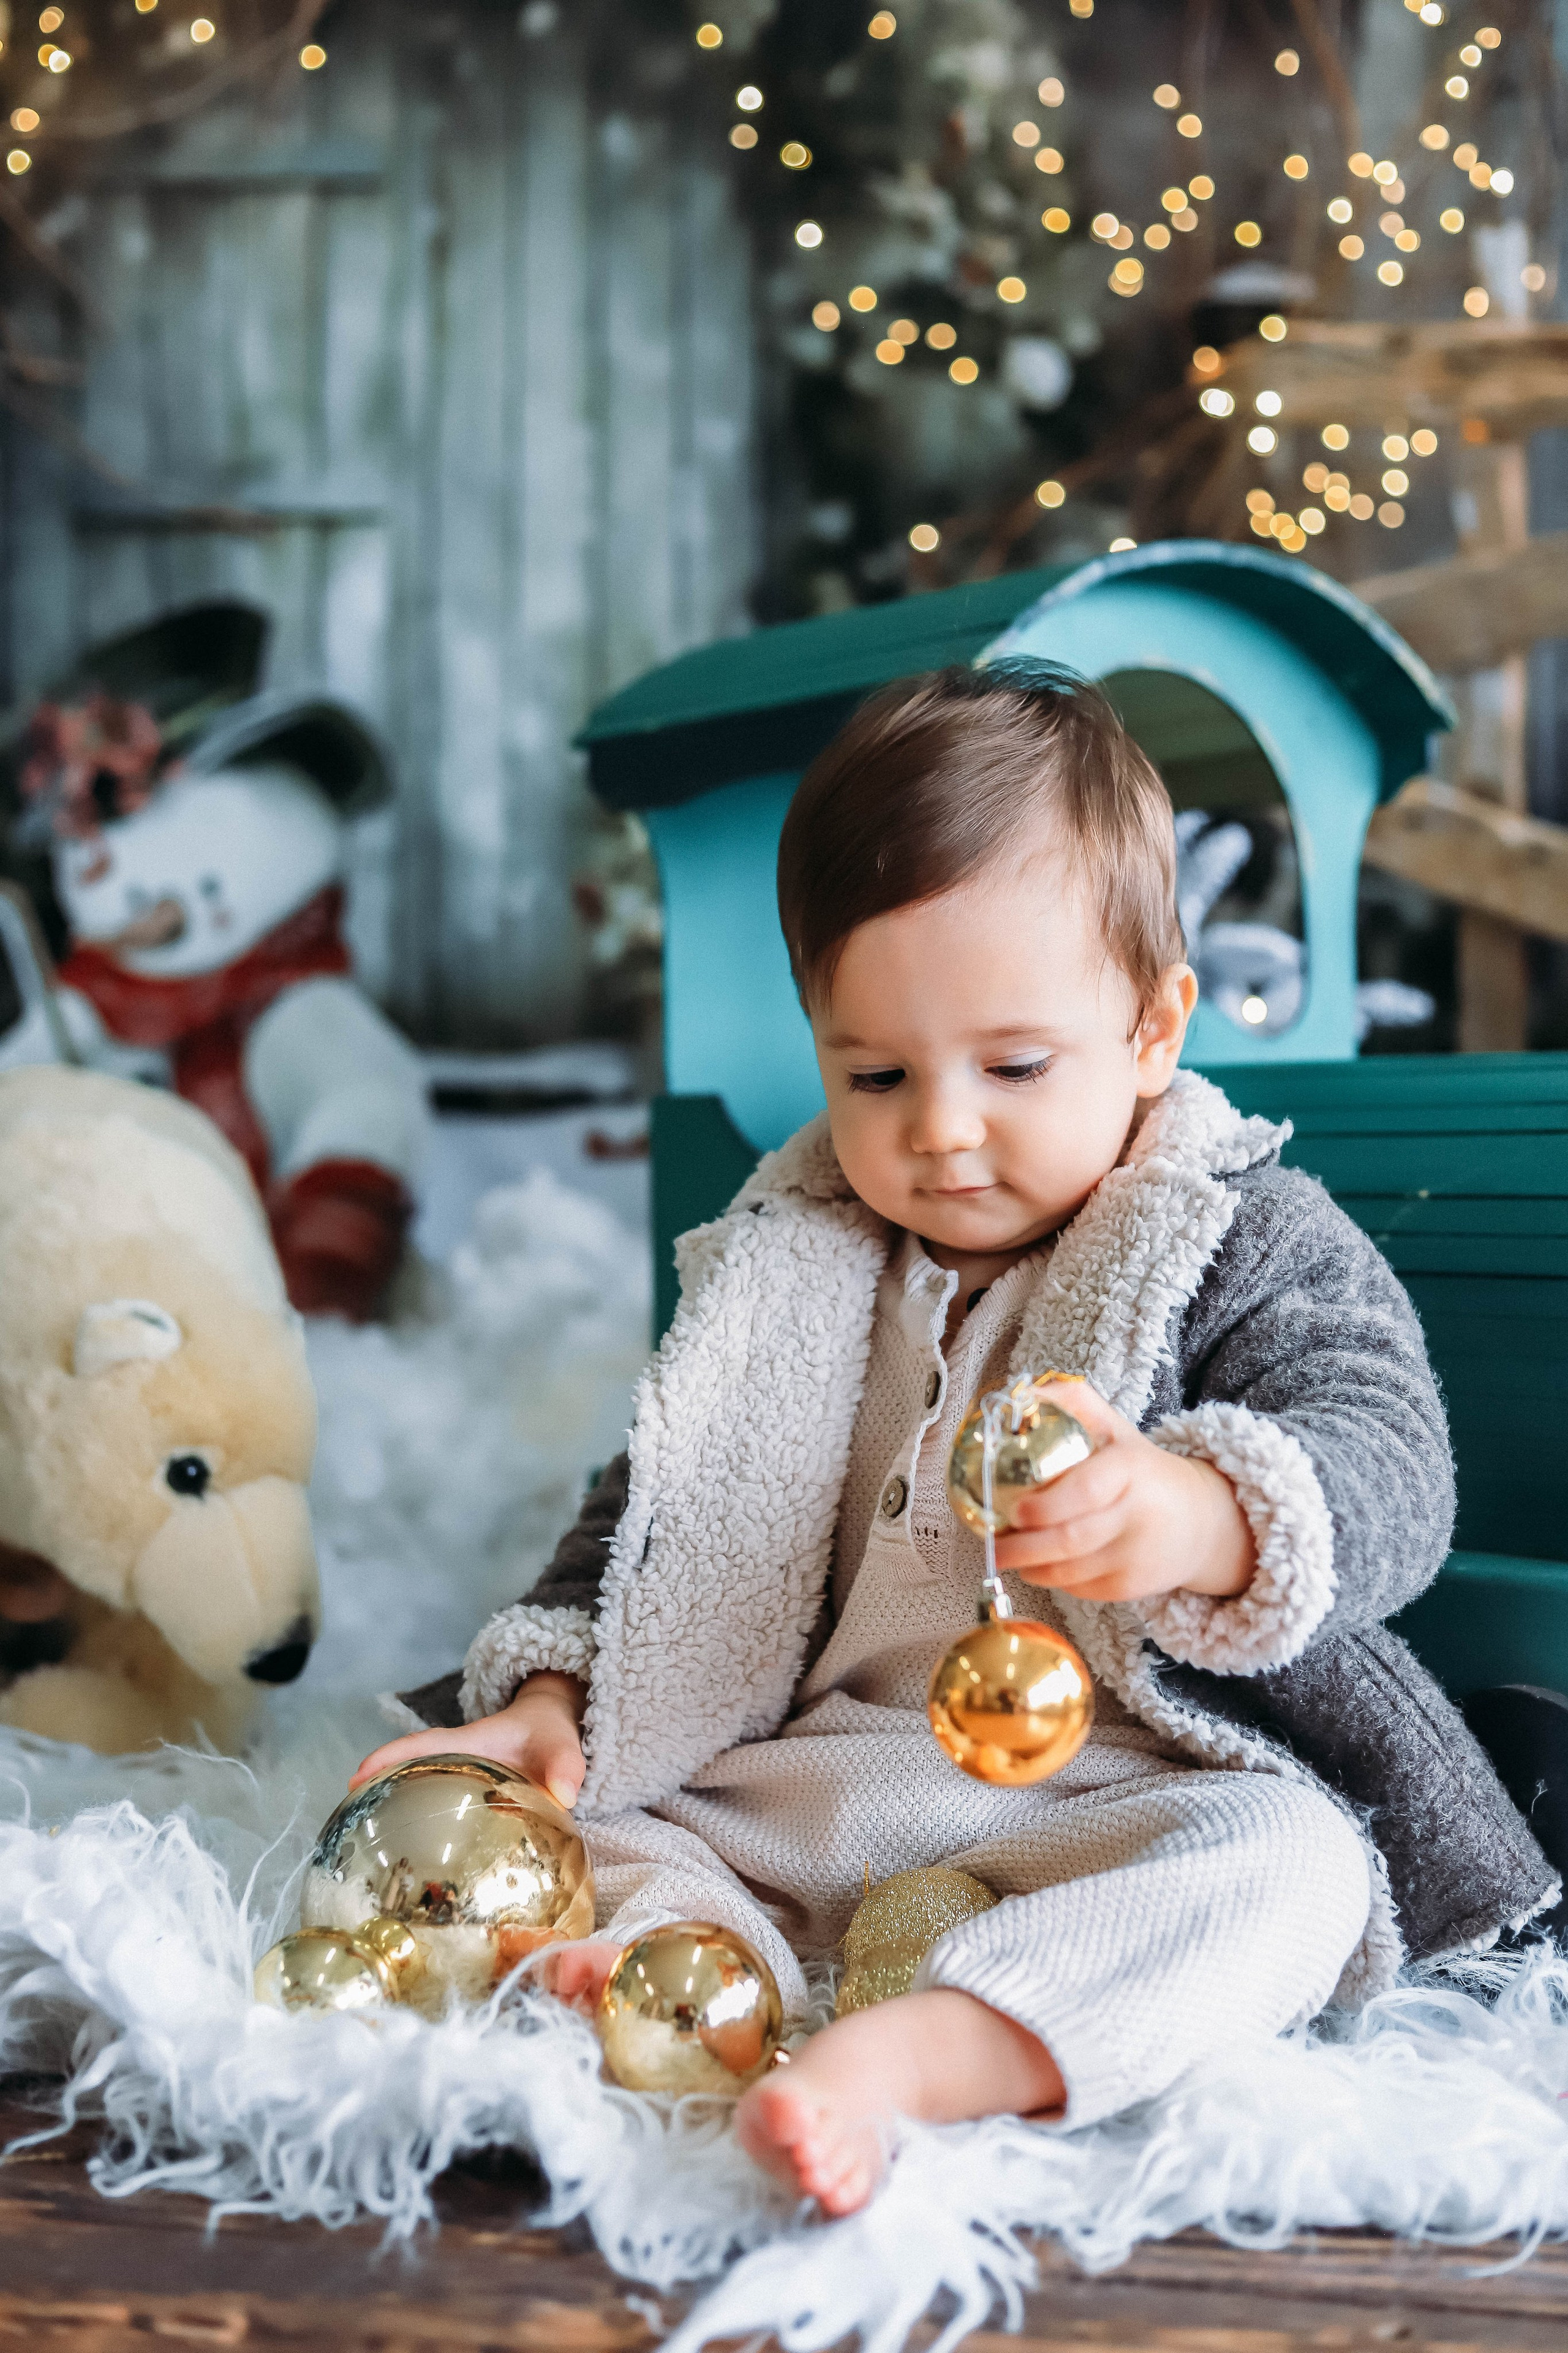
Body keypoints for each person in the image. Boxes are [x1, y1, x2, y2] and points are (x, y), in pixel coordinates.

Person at [358, 664, 1555, 2218]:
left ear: (1151, 1026)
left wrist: (1201, 1512)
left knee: (1300, 1874)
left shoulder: (1234, 1235)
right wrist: (544, 1699)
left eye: (1010, 1066)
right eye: (875, 1074)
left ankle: (926, 2050)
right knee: (600, 1826)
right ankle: (678, 1971)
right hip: (812, 1779)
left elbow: (1389, 1455)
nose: (938, 1128)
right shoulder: (792, 1260)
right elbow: (655, 1510)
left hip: (1123, 1792)